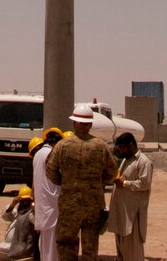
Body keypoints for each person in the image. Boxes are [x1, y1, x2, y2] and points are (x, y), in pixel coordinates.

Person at [45, 103, 118, 261]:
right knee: (90, 246)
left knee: (66, 243)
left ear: (74, 123)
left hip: (69, 204)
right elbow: (112, 173)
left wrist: (63, 182)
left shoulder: (62, 145)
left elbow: (50, 170)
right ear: (90, 124)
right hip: (93, 205)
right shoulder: (101, 146)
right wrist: (98, 183)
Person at [107, 132, 153, 260]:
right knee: (122, 253)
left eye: (122, 148)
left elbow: (145, 184)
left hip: (133, 216)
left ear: (131, 145)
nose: (121, 151)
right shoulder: (126, 161)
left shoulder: (143, 162)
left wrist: (125, 183)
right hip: (122, 214)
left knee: (133, 253)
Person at [32, 128, 63, 261]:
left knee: (45, 247)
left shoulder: (38, 154)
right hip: (53, 206)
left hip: (43, 207)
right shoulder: (52, 154)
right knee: (53, 249)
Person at [0, 185, 36, 260]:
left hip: (20, 247)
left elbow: (37, 222)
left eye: (27, 201)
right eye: (22, 201)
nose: (25, 203)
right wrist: (13, 204)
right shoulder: (18, 212)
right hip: (9, 244)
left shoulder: (31, 214)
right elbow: (5, 215)